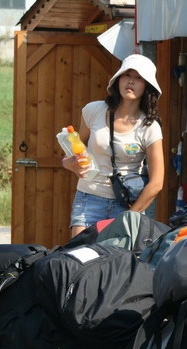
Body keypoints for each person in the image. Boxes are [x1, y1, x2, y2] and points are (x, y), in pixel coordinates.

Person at [62, 54, 165, 238]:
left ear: (147, 86)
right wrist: (68, 163)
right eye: (127, 75)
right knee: (79, 254)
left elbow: (157, 183)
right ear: (118, 79)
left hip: (127, 205)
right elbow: (76, 150)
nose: (131, 81)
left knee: (118, 258)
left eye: (138, 78)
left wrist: (129, 216)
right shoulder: (93, 110)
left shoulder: (150, 127)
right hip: (88, 197)